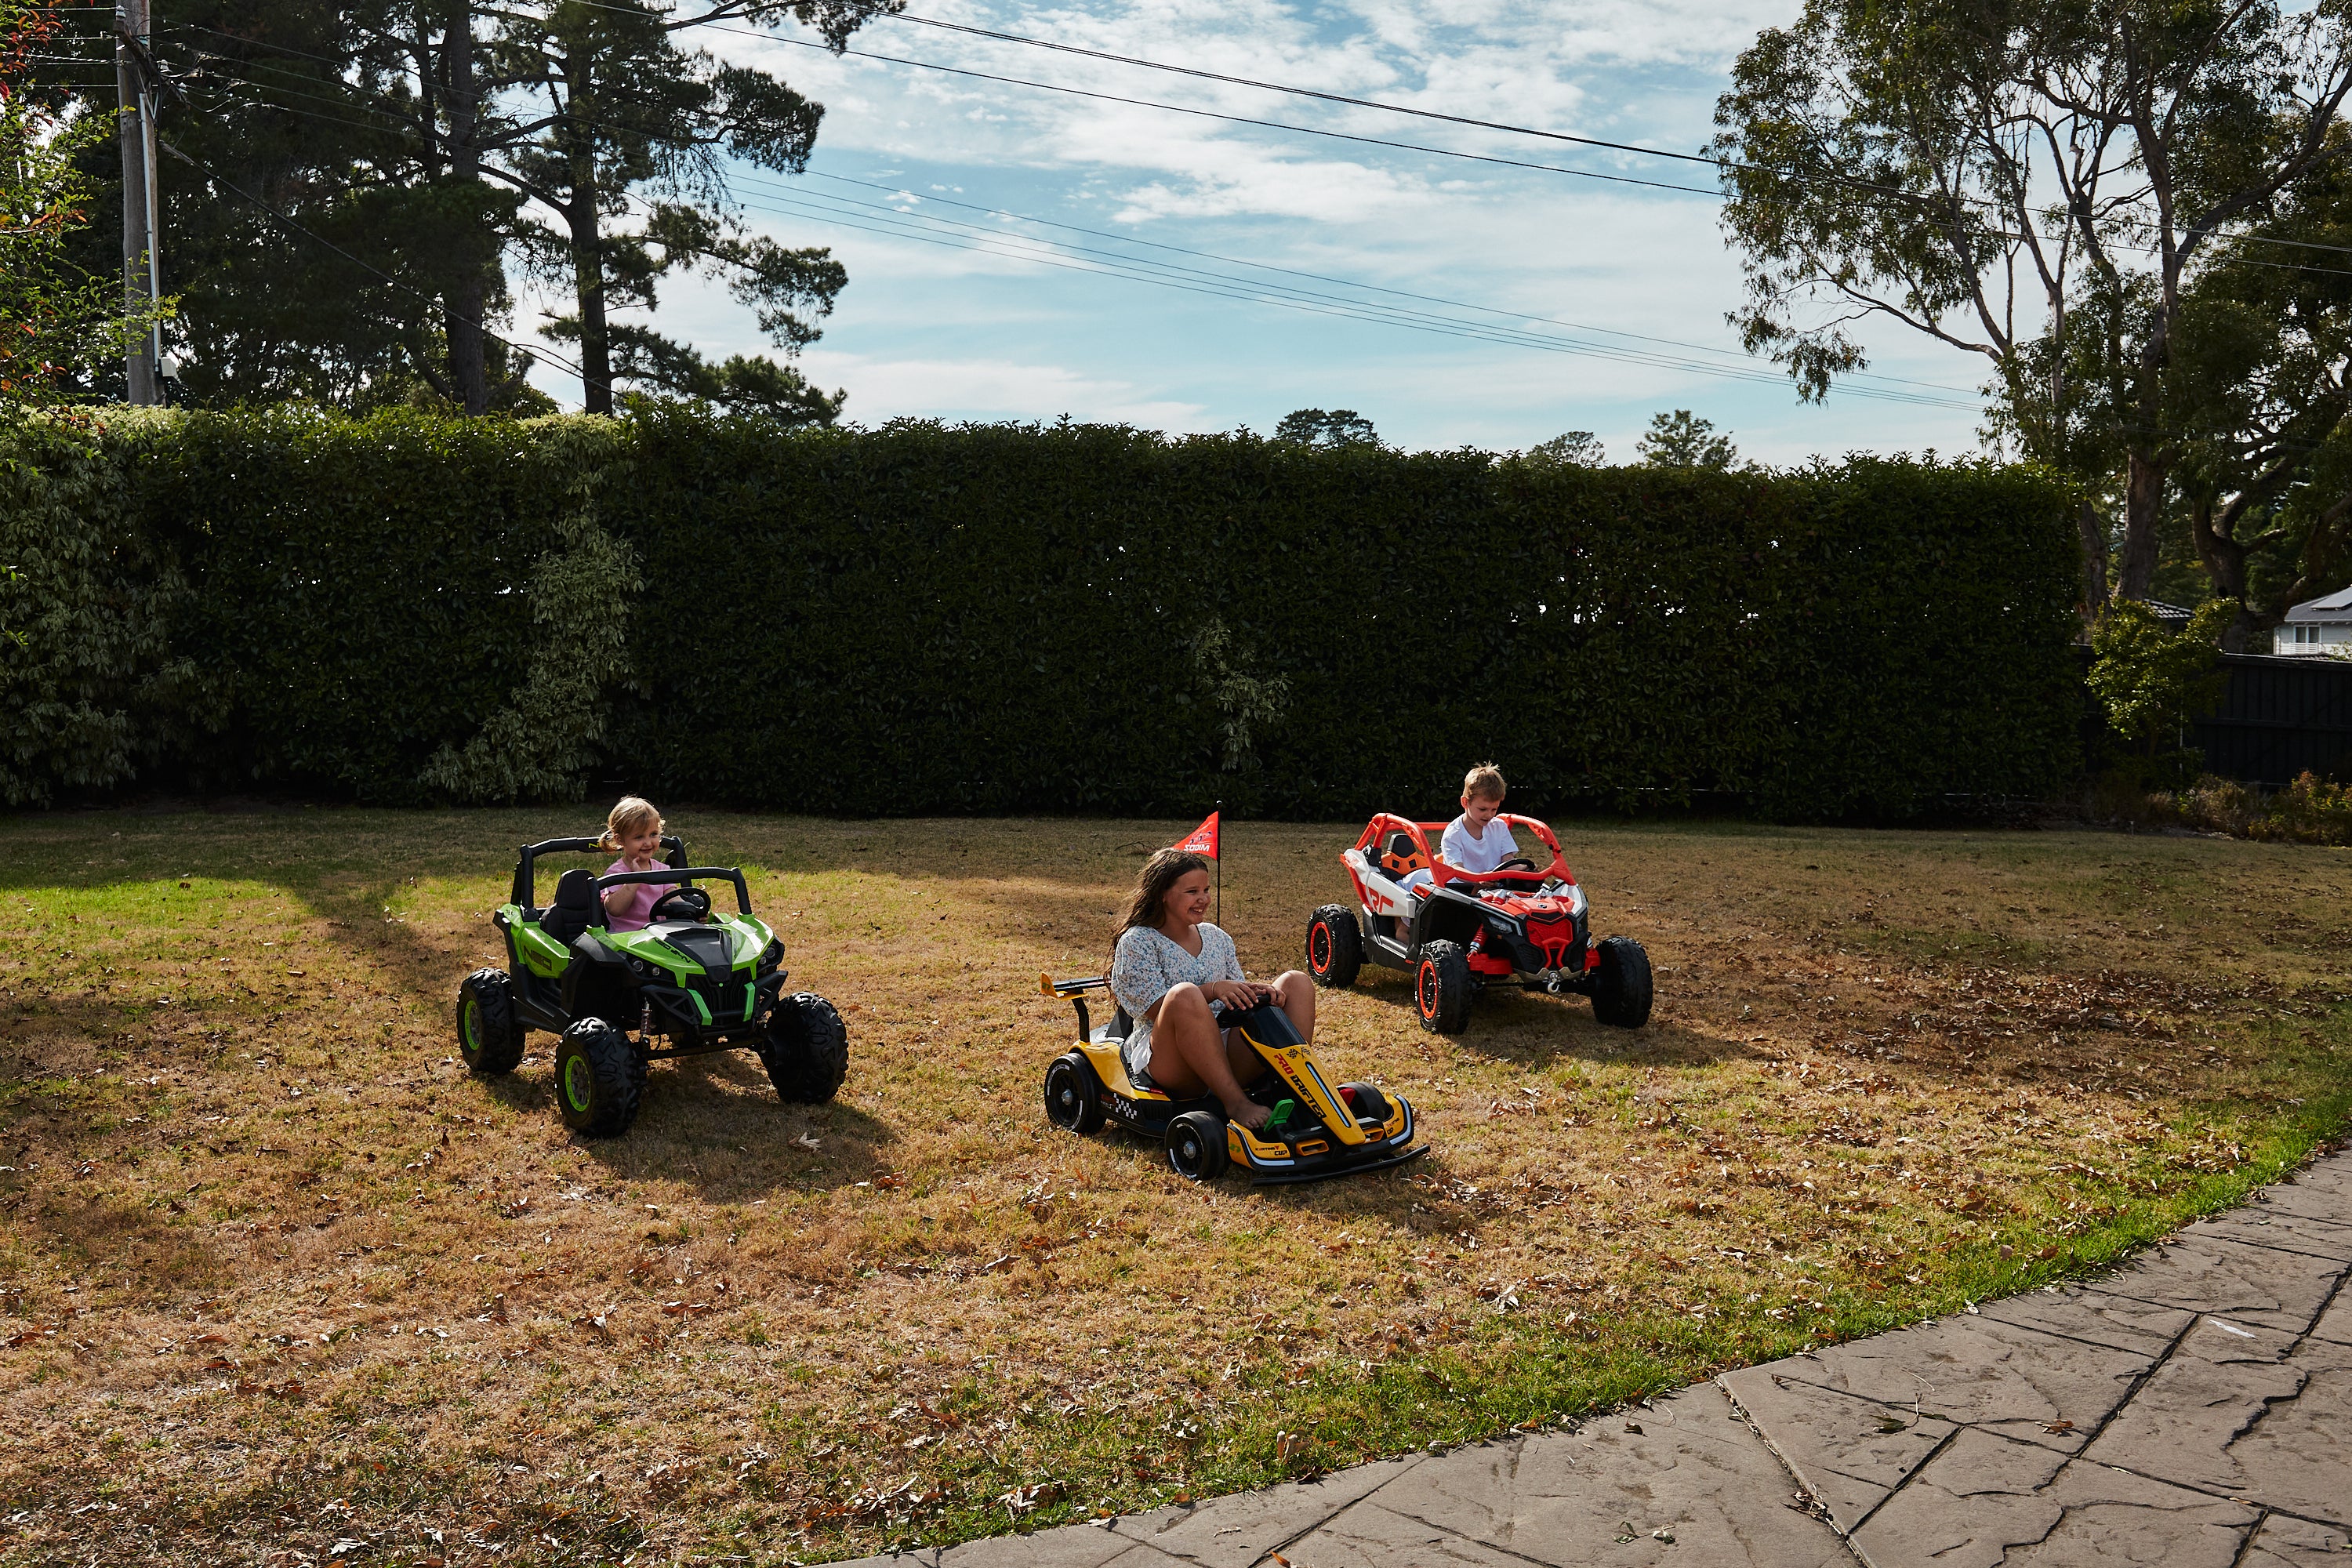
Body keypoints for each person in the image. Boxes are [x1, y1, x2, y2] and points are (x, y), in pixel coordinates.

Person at [1106, 848, 1316, 1131]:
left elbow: (1237, 1002)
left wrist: (1258, 994)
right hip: (1170, 1057)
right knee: (1183, 994)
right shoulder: (1139, 941)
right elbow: (1156, 1009)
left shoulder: (1217, 937)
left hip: (1226, 1045)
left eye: (1205, 890)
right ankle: (1236, 1103)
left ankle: (1298, 1091)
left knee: (1296, 981)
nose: (1203, 899)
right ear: (1162, 894)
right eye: (1192, 891)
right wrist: (1213, 989)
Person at [597, 796, 677, 932]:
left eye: (653, 834)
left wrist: (692, 911)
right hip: (626, 938)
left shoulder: (662, 870)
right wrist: (634, 879)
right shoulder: (616, 873)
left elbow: (675, 900)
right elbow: (614, 909)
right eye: (639, 837)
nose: (648, 843)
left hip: (659, 934)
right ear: (620, 840)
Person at [1439, 761, 1522, 875]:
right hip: (1461, 884)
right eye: (1483, 809)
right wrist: (1478, 878)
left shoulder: (1499, 827)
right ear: (1465, 802)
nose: (1489, 815)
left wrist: (1524, 868)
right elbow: (1456, 869)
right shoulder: (1453, 834)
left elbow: (1508, 860)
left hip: (1494, 883)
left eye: (1494, 809)